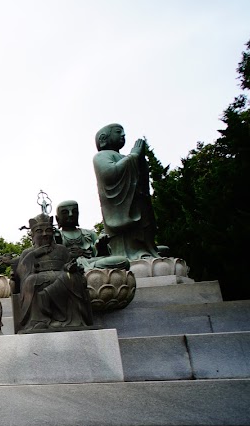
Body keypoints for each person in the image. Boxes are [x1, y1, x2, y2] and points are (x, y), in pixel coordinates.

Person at [10, 214, 93, 333]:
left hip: (61, 276)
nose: (44, 234)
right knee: (30, 281)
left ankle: (72, 320)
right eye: (39, 231)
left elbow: (69, 264)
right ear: (33, 235)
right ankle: (38, 321)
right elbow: (21, 273)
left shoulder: (61, 249)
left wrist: (71, 268)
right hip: (38, 277)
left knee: (73, 278)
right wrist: (36, 254)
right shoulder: (28, 252)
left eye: (48, 230)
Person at [93, 124, 160, 260]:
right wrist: (134, 156)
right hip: (121, 210)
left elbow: (140, 179)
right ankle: (130, 254)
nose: (123, 135)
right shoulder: (101, 156)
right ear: (104, 138)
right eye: (118, 132)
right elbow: (109, 174)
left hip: (137, 205)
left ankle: (147, 249)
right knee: (127, 243)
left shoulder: (124, 157)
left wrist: (139, 161)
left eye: (124, 133)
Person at [54, 200, 129, 270]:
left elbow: (104, 255)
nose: (71, 214)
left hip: (92, 262)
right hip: (70, 265)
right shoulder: (56, 235)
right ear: (57, 218)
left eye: (74, 211)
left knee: (123, 261)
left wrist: (101, 246)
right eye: (65, 212)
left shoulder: (89, 233)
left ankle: (84, 270)